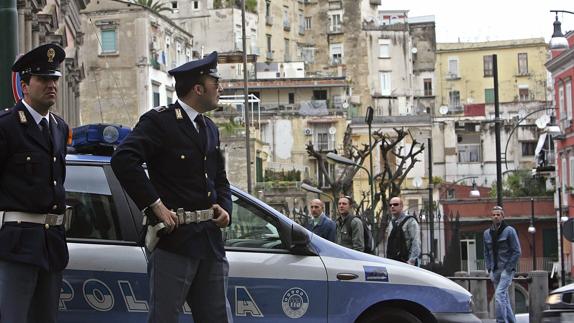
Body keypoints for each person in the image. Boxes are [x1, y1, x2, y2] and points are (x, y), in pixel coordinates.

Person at [111, 51, 233, 323]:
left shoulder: (210, 128)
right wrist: (155, 206)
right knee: (165, 317)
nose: (220, 89)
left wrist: (225, 208)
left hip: (209, 242)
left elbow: (221, 178)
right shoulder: (160, 122)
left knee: (218, 317)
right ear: (198, 89)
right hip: (175, 241)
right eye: (216, 84)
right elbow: (123, 159)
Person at [0, 43, 69, 323]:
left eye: (54, 79)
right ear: (25, 85)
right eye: (43, 79)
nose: (51, 85)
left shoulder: (59, 127)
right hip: (16, 242)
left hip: (51, 243)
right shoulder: (7, 126)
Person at [484, 205, 521, 323]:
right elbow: (486, 253)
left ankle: (500, 321)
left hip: (506, 270)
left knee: (499, 296)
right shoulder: (486, 233)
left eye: (498, 215)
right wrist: (489, 269)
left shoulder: (510, 231)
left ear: (503, 216)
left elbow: (517, 251)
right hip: (494, 271)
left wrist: (508, 269)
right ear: (491, 217)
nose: (496, 217)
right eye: (494, 215)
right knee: (504, 299)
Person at [385, 196, 421, 266]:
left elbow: (416, 241)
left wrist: (412, 260)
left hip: (407, 262)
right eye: (390, 205)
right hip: (393, 262)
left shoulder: (410, 221)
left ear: (401, 206)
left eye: (395, 204)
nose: (392, 206)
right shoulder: (391, 223)